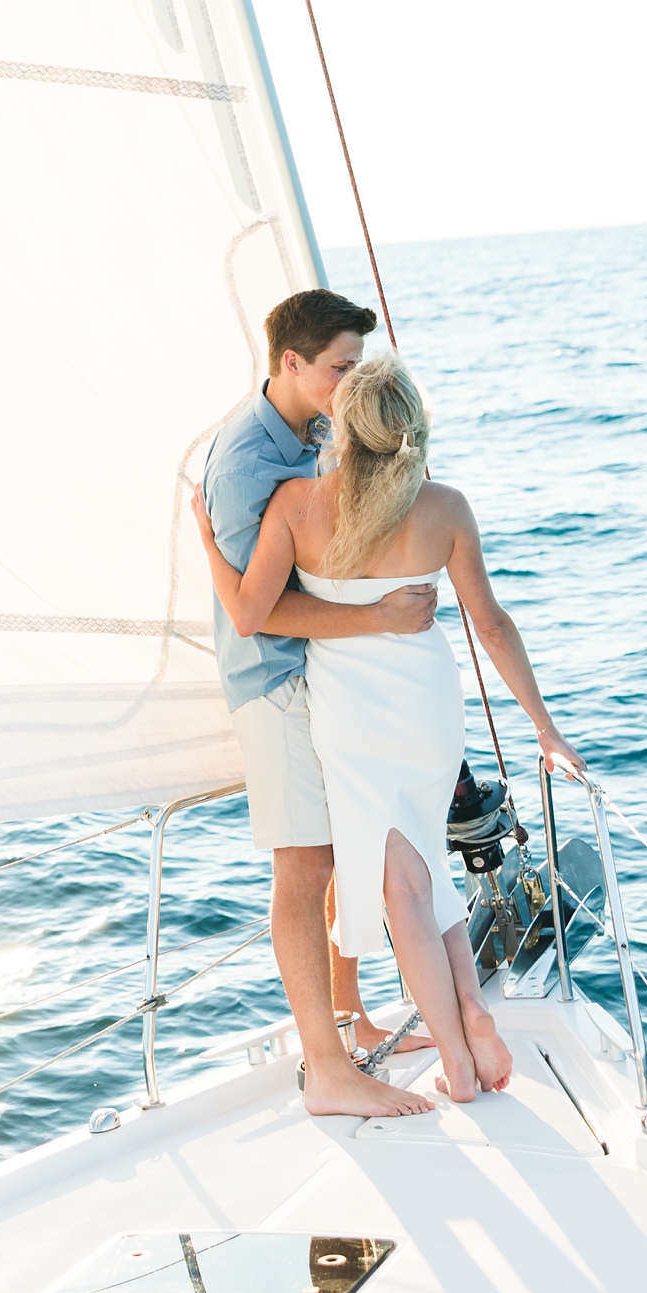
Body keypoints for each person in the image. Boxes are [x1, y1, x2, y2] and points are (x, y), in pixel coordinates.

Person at [195, 350, 583, 1104]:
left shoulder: (298, 506)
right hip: (429, 709)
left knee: (399, 884)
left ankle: (459, 1064)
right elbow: (493, 627)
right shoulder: (445, 507)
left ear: (343, 425)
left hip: (351, 716)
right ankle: (468, 1007)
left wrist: (210, 543)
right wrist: (546, 729)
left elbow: (250, 611)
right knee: (424, 871)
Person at [202, 290, 439, 1121]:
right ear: (291, 364)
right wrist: (375, 617)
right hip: (274, 683)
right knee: (304, 867)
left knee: (343, 847)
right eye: (340, 368)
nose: (351, 386)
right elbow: (253, 611)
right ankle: (328, 1069)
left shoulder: (305, 427)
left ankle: (350, 1014)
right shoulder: (245, 466)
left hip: (319, 673)